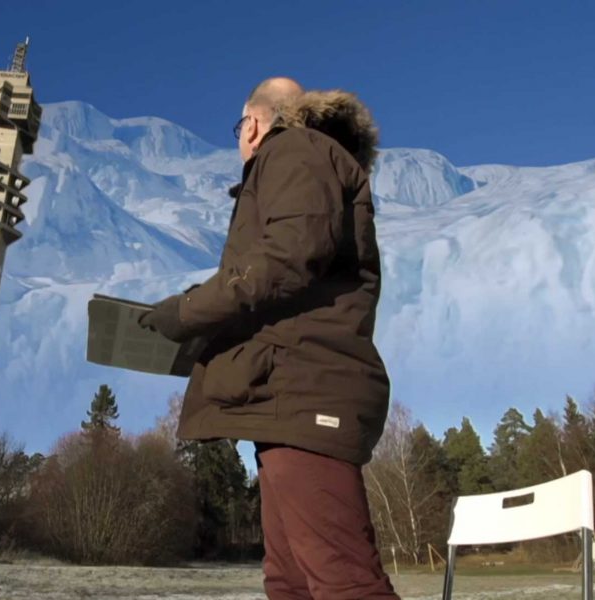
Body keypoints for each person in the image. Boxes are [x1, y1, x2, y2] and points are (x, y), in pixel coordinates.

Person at [139, 77, 399, 599]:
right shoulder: (316, 159)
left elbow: (284, 258)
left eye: (239, 129)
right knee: (291, 581)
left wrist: (186, 311)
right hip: (286, 393)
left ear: (253, 125)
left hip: (305, 390)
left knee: (343, 579)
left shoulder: (295, 149)